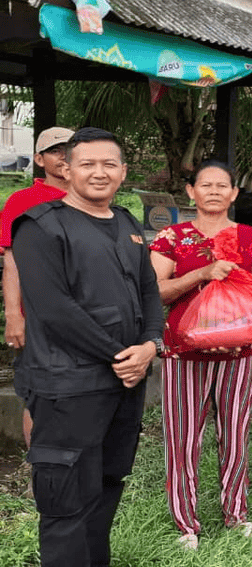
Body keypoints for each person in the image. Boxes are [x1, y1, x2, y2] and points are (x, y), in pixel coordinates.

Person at [13, 127, 164, 567]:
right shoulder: (40, 227)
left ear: (122, 172)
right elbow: (54, 309)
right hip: (68, 386)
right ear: (67, 168)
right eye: (87, 163)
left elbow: (149, 291)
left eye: (109, 164)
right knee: (66, 500)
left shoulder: (126, 224)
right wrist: (123, 356)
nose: (99, 173)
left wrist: (151, 344)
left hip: (123, 384)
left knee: (106, 486)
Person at [148, 161, 252, 549]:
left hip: (240, 351)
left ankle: (236, 515)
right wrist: (201, 274)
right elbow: (156, 292)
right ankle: (186, 524)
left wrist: (237, 335)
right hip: (184, 352)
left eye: (223, 186)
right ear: (191, 191)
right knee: (183, 438)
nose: (215, 191)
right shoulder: (172, 238)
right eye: (206, 185)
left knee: (235, 434)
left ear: (234, 193)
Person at [2, 126, 72, 453]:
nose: (65, 156)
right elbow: (12, 262)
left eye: (71, 149)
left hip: (87, 316)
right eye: (56, 150)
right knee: (38, 395)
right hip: (38, 317)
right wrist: (14, 316)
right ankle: (40, 473)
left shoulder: (91, 194)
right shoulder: (23, 201)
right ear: (40, 159)